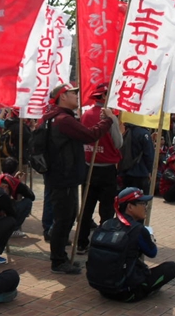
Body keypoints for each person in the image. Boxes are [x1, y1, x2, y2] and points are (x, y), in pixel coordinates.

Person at [42, 82, 113, 274]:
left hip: (61, 176)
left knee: (66, 217)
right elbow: (91, 135)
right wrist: (108, 120)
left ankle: (60, 257)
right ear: (62, 97)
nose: (77, 96)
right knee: (64, 219)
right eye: (73, 93)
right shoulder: (64, 119)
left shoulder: (53, 116)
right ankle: (58, 261)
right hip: (64, 177)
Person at [86, 187, 175, 302]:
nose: (146, 207)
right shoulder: (137, 229)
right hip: (127, 293)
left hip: (102, 289)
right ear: (130, 207)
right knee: (171, 268)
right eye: (142, 203)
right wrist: (150, 236)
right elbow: (152, 252)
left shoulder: (107, 223)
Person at [77, 82, 123, 255]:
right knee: (106, 210)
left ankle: (81, 243)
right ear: (104, 97)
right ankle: (102, 244)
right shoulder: (110, 116)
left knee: (86, 208)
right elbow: (118, 143)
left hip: (88, 167)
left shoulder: (85, 115)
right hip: (107, 169)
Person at [119, 123, 154, 195]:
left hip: (126, 171)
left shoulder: (126, 131)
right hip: (140, 172)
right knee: (140, 200)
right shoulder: (144, 134)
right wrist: (150, 170)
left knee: (127, 198)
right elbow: (149, 155)